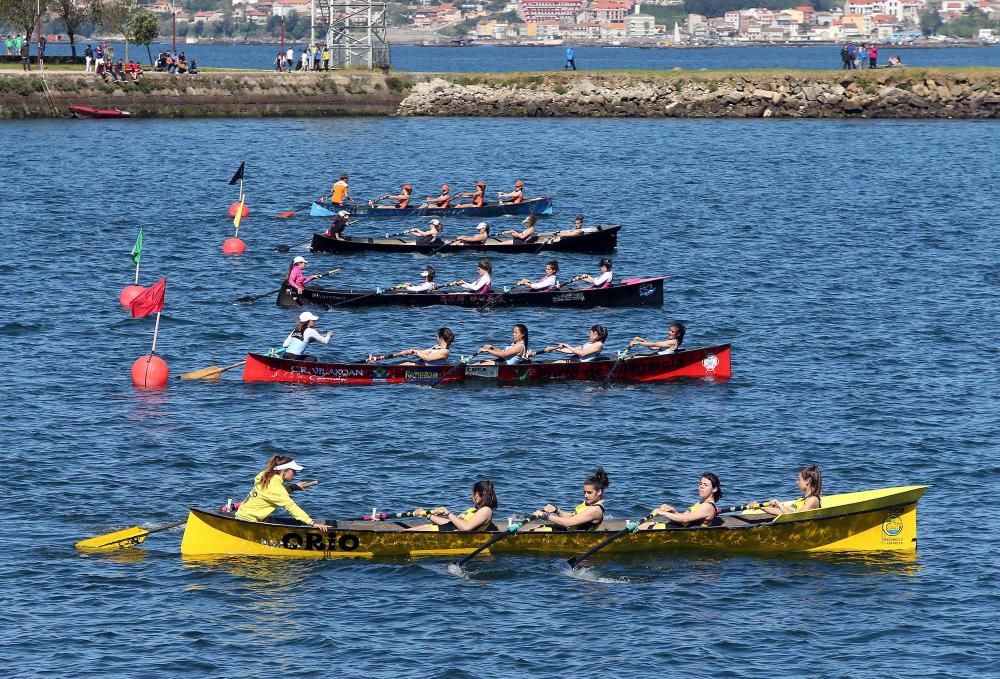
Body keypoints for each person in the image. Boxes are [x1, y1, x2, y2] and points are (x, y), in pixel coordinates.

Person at [234, 456, 329, 532]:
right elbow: (292, 508)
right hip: (248, 522)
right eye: (293, 471)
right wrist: (313, 523)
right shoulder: (276, 488)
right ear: (284, 472)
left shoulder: (266, 477)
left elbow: (272, 494)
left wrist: (292, 488)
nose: (295, 474)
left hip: (242, 516)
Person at [528, 468, 609, 532]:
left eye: (589, 492)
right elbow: (572, 516)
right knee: (534, 528)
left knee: (532, 531)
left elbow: (568, 522)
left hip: (570, 536)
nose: (585, 495)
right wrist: (556, 510)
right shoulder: (589, 504)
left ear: (599, 492)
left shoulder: (595, 510)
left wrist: (545, 515)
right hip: (563, 530)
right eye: (584, 492)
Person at [640, 472, 723, 530]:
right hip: (677, 527)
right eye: (700, 484)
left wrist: (663, 513)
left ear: (714, 489)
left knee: (640, 528)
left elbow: (685, 520)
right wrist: (673, 511)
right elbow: (685, 518)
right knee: (644, 525)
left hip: (679, 531)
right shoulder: (701, 503)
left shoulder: (707, 506)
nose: (701, 486)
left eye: (705, 485)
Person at [406, 480, 498, 532]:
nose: (471, 496)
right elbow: (451, 523)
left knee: (408, 533)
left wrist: (448, 513)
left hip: (447, 534)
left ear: (477, 494)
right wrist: (427, 515)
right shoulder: (473, 510)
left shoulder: (486, 510)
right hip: (445, 529)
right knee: (406, 531)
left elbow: (466, 528)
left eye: (472, 493)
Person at [754, 466, 823, 515]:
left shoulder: (813, 499)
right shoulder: (801, 500)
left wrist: (779, 504)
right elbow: (781, 512)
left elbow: (798, 517)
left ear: (807, 481)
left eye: (799, 479)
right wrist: (759, 507)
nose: (797, 482)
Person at [379, 327, 454, 366]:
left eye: (437, 337)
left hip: (427, 370)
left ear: (441, 338)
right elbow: (424, 352)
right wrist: (411, 351)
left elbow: (428, 358)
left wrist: (416, 352)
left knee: (405, 364)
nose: (436, 338)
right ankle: (379, 363)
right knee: (404, 362)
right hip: (421, 365)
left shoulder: (445, 351)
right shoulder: (436, 347)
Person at [537, 324, 607, 362]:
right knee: (557, 362)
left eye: (590, 333)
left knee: (557, 363)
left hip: (577, 365)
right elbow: (572, 350)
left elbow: (582, 353)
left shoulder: (599, 344)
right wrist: (554, 348)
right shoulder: (590, 344)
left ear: (595, 334)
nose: (588, 335)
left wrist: (568, 345)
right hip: (572, 362)